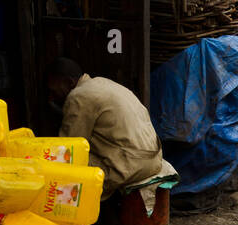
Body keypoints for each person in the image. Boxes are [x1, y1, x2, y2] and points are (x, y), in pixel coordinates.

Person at [47, 58, 163, 199]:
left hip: (132, 166)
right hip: (154, 158)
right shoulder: (102, 83)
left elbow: (68, 146)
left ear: (69, 83)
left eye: (53, 90)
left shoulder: (78, 96)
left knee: (62, 163)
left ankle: (79, 218)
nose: (51, 97)